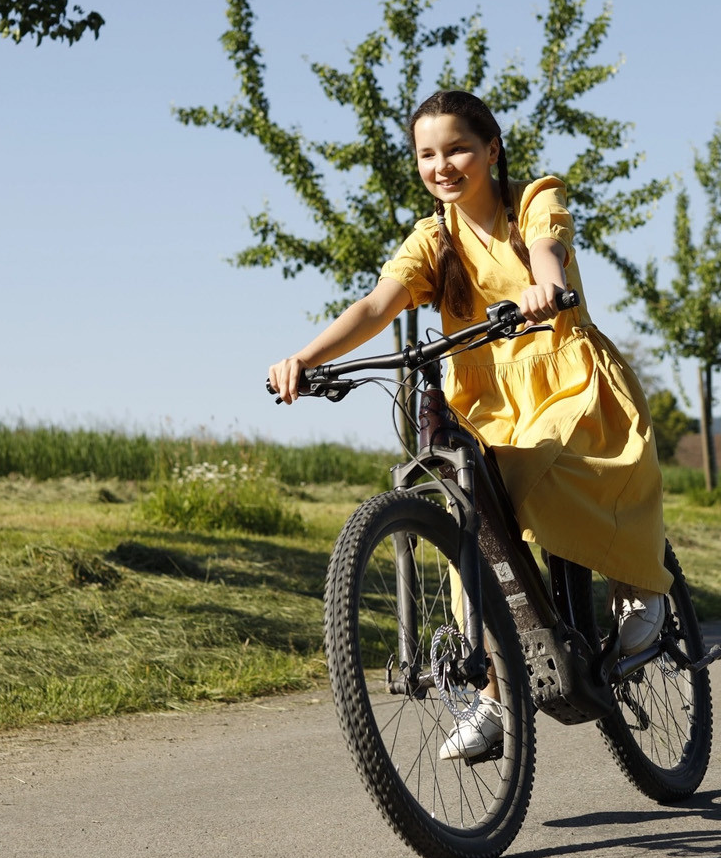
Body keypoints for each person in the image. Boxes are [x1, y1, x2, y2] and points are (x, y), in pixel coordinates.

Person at [266, 89, 672, 760]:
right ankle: (491, 690)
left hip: (563, 379)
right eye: (427, 153)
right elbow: (375, 306)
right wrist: (306, 359)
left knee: (539, 468)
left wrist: (543, 288)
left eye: (457, 148)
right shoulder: (434, 238)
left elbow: (549, 250)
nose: (442, 164)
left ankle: (640, 587)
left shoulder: (532, 199)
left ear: (491, 148)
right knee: (467, 516)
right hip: (486, 401)